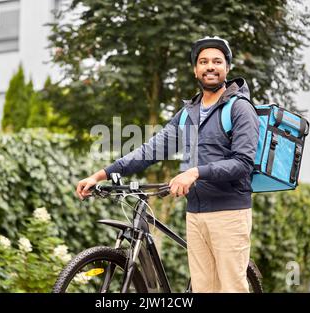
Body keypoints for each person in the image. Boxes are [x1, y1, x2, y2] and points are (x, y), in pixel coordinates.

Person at [76, 36, 259, 292]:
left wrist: (195, 172)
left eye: (217, 61)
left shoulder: (239, 109)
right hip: (195, 213)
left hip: (229, 214)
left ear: (227, 68)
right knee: (204, 289)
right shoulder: (187, 113)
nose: (210, 66)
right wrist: (101, 174)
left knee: (231, 288)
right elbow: (149, 151)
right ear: (195, 69)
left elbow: (243, 163)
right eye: (203, 61)